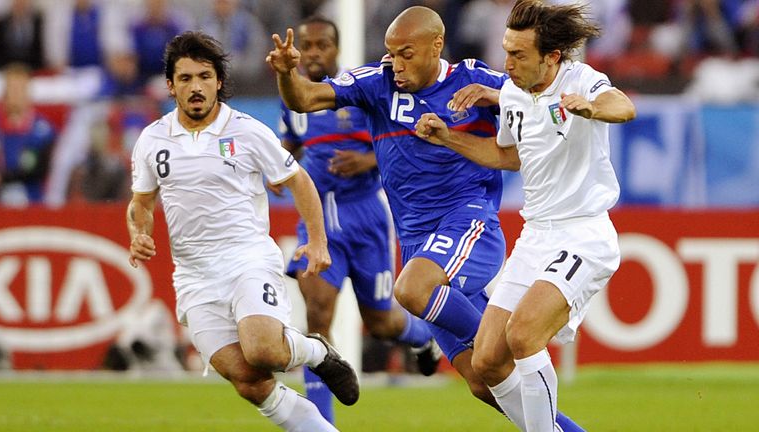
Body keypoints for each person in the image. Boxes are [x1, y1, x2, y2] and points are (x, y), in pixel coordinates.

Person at [268, 4, 514, 411]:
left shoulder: (473, 79)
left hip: (468, 222)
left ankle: (501, 348)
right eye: (391, 52)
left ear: (437, 46)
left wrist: (503, 94)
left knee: (410, 293)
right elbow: (305, 98)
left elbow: (537, 102)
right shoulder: (377, 83)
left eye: (406, 54)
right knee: (486, 384)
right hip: (415, 241)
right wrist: (285, 74)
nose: (395, 64)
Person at [415, 1, 637, 430]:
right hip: (536, 236)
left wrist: (593, 109)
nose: (507, 63)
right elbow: (508, 156)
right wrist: (448, 139)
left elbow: (623, 106)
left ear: (551, 56)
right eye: (506, 51)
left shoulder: (580, 80)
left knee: (523, 336)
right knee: (488, 359)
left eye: (518, 55)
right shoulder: (514, 94)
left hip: (583, 234)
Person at [126, 31, 358, 431]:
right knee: (248, 380)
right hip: (194, 275)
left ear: (218, 81)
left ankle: (314, 350)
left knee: (264, 349)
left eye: (204, 76)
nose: (195, 87)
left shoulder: (247, 131)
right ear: (171, 86)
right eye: (185, 79)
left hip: (246, 258)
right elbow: (141, 203)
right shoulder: (152, 140)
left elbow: (299, 180)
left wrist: (318, 241)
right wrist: (139, 232)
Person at [270, 15, 440, 424]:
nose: (312, 53)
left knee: (381, 323)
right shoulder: (293, 97)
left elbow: (408, 149)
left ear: (336, 50)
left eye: (321, 45)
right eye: (306, 46)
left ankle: (422, 339)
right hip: (319, 220)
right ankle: (321, 421)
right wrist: (278, 165)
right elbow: (290, 141)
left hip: (366, 217)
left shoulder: (364, 93)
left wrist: (366, 159)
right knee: (317, 316)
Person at [0, 63, 56, 206]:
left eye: (20, 89)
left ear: (28, 92)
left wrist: (0, 177)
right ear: (4, 92)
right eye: (12, 89)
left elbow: (38, 170)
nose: (16, 94)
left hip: (31, 201)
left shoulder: (42, 129)